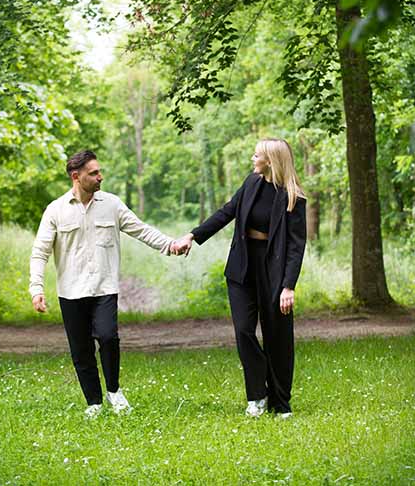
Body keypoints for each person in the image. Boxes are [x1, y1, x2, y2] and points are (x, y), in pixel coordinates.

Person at [29, 150, 185, 417]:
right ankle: (94, 403)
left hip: (104, 288)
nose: (100, 177)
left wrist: (170, 244)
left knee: (108, 336)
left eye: (99, 171)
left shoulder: (112, 205)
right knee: (81, 350)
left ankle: (114, 390)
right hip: (71, 291)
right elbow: (40, 251)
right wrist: (37, 288)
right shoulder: (55, 210)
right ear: (76, 177)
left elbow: (141, 229)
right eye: (94, 173)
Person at [171, 138, 306, 419]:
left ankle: (281, 403)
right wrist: (193, 236)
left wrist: (288, 286)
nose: (252, 158)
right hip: (243, 267)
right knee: (244, 331)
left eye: (256, 155)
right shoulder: (251, 183)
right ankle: (257, 395)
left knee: (278, 337)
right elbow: (227, 212)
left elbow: (296, 246)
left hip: (274, 271)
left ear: (270, 161)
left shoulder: (293, 197)